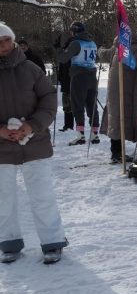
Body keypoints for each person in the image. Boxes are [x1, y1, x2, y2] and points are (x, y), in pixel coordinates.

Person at [0, 23, 67, 264]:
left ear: (13, 40)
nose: (3, 45)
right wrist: (1, 131)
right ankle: (9, 241)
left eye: (7, 39)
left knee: (42, 195)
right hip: (2, 147)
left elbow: (49, 99)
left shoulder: (32, 69)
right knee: (3, 198)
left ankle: (52, 241)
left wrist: (32, 125)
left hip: (34, 142)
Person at [98, 29, 137, 164]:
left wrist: (100, 49)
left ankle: (116, 152)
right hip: (131, 92)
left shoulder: (119, 46)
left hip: (117, 93)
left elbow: (105, 54)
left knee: (118, 120)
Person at [58, 21, 100, 146]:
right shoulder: (92, 43)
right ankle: (95, 134)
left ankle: (80, 135)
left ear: (75, 31)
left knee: (77, 105)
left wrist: (59, 48)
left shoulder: (76, 43)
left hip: (79, 76)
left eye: (72, 31)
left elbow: (63, 58)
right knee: (92, 105)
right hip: (92, 76)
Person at [53, 32, 75, 132]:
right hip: (65, 81)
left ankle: (70, 125)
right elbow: (62, 60)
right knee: (66, 105)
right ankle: (68, 125)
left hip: (71, 80)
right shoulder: (66, 50)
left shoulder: (72, 51)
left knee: (70, 105)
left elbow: (64, 60)